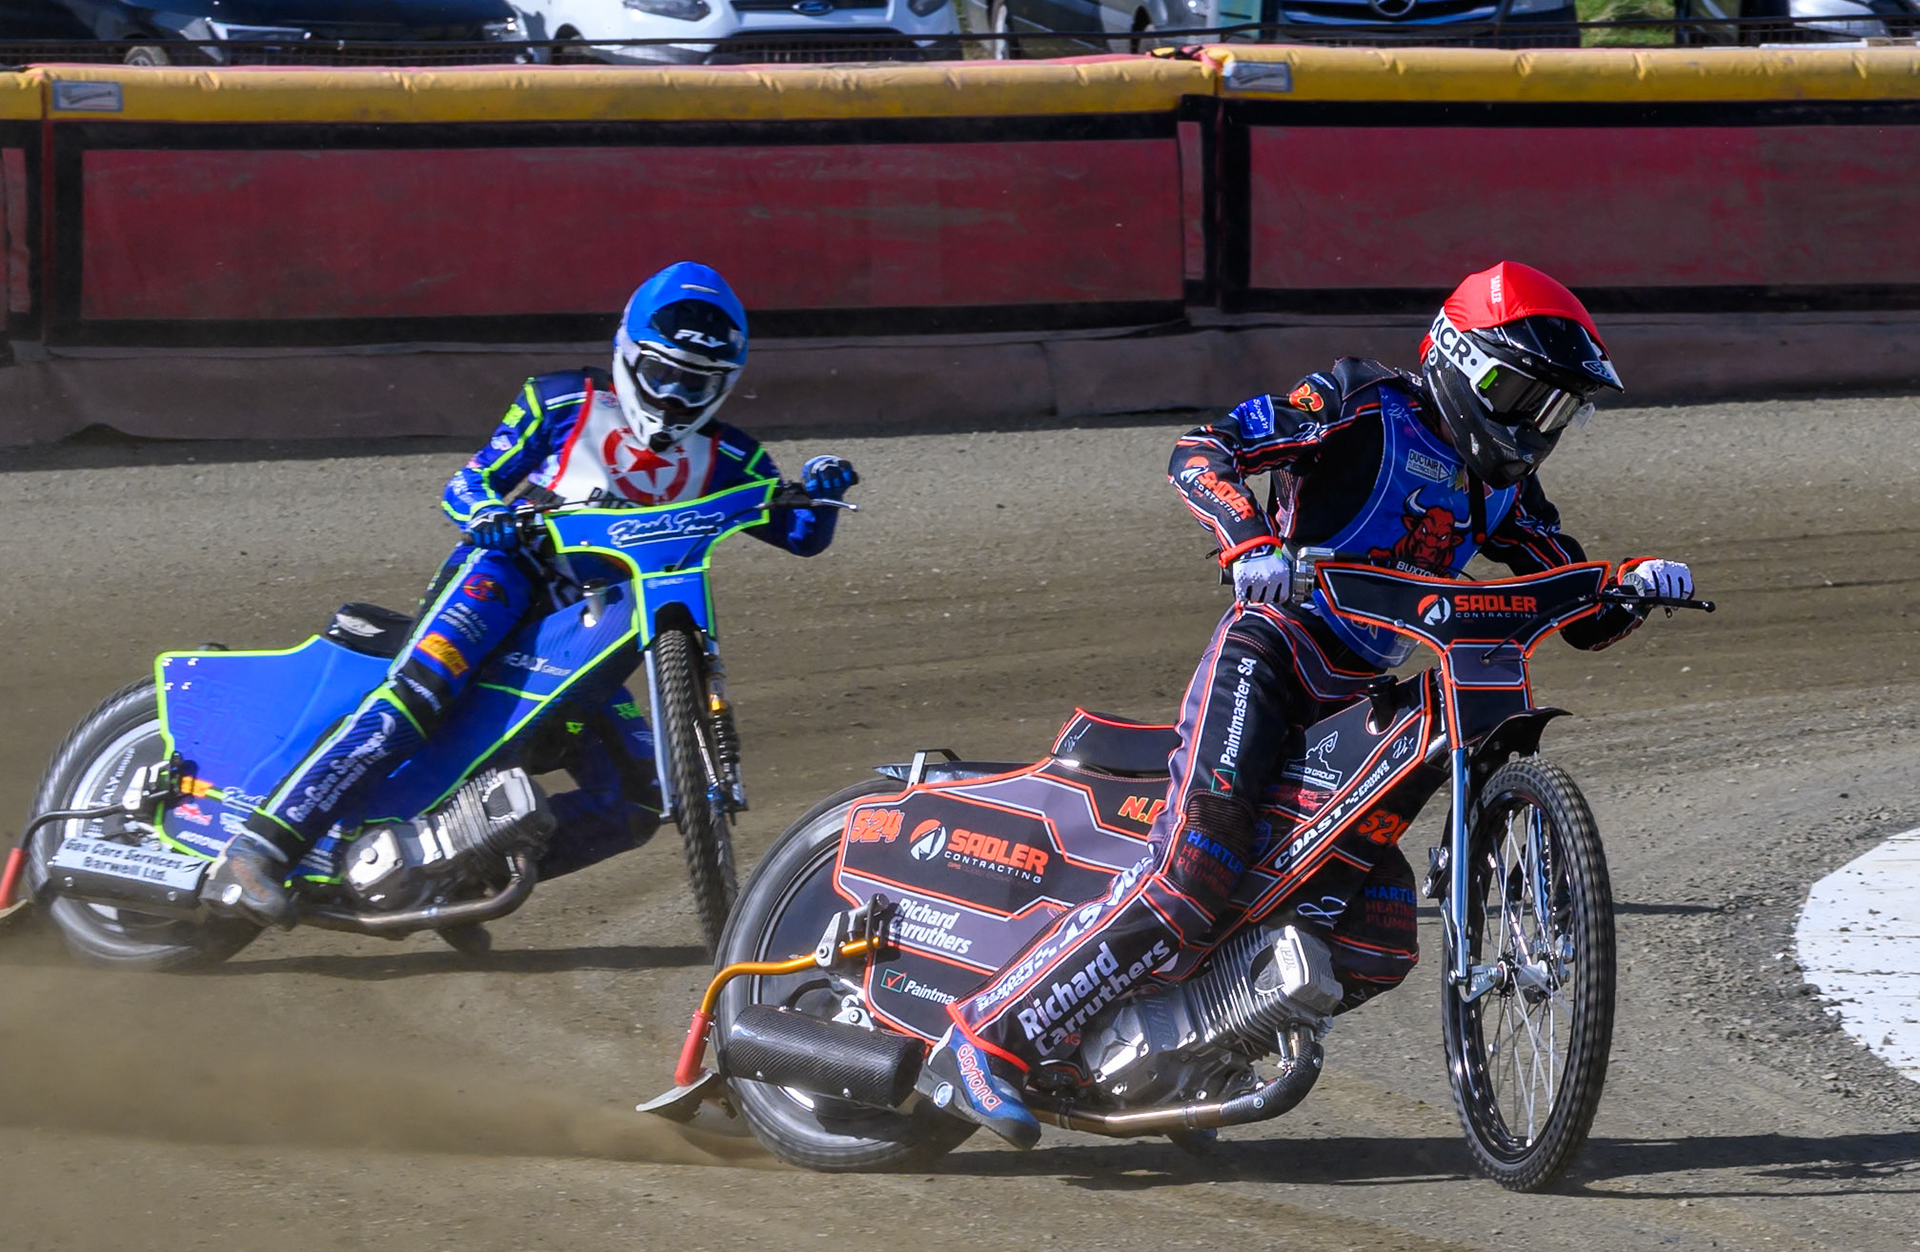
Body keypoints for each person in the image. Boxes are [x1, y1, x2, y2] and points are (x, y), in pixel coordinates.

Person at [920, 260, 1694, 1149]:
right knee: (1197, 868)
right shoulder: (1361, 401)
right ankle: (985, 1033)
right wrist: (1247, 540)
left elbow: (1577, 604)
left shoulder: (1506, 488)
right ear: (1461, 359)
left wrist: (1631, 587)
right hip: (1273, 655)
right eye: (1522, 393)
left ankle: (1193, 1049)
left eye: (1555, 408)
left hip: (1353, 701)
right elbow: (1203, 452)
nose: (1533, 424)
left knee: (1379, 933)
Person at [206, 262, 859, 930]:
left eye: (696, 383)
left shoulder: (734, 460)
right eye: (662, 373)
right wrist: (488, 512)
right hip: (506, 575)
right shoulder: (560, 403)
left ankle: (459, 878)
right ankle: (258, 849)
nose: (673, 395)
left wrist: (823, 489)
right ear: (630, 355)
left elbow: (798, 531)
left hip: (592, 625)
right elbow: (468, 483)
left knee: (642, 797)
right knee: (414, 699)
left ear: (725, 384)